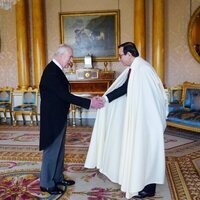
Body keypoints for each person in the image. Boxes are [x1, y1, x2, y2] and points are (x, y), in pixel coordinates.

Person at [84, 42, 168, 199]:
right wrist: (105, 99)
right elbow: (125, 89)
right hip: (142, 119)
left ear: (130, 54)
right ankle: (143, 184)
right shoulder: (135, 68)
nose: (119, 59)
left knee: (147, 151)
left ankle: (149, 188)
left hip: (147, 121)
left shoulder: (142, 69)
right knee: (142, 151)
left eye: (121, 55)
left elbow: (151, 97)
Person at [39, 44, 104, 195]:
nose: (71, 60)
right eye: (70, 57)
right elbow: (65, 95)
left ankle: (57, 177)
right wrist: (90, 103)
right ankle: (46, 183)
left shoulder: (56, 70)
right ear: (61, 56)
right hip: (52, 119)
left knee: (59, 150)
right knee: (52, 150)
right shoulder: (51, 72)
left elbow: (63, 94)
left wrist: (89, 99)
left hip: (58, 116)